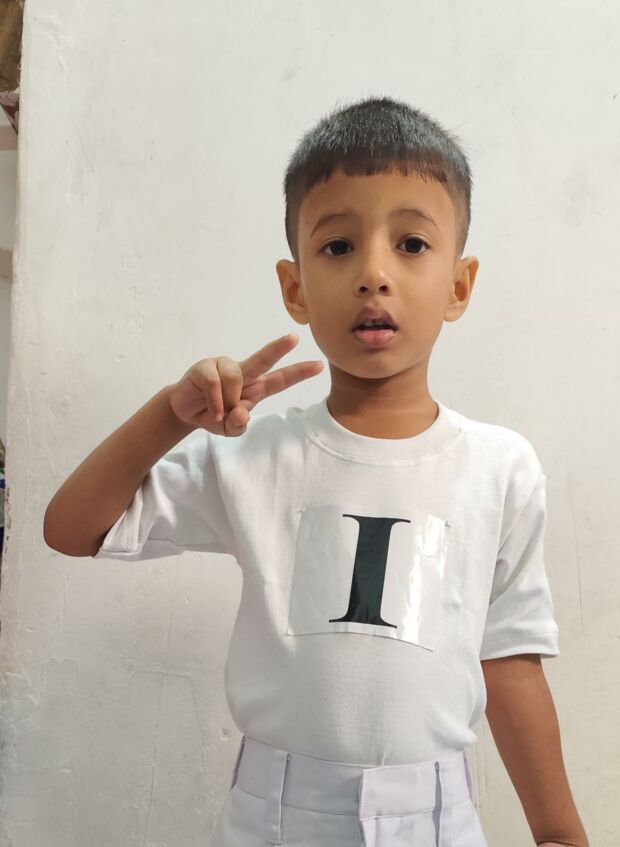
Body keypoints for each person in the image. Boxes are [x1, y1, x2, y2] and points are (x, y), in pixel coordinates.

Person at [43, 97, 589, 847]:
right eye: (337, 246)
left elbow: (510, 660)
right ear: (295, 287)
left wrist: (560, 831)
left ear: (459, 286)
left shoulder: (500, 468)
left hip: (436, 821)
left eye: (411, 244)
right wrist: (171, 415)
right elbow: (72, 528)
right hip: (271, 819)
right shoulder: (251, 455)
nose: (374, 274)